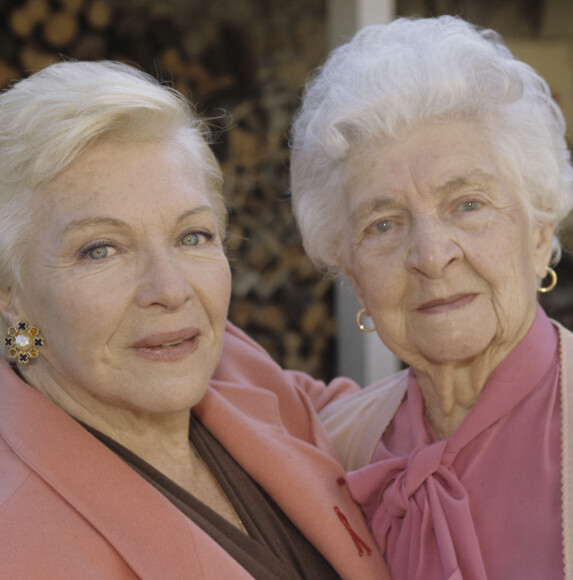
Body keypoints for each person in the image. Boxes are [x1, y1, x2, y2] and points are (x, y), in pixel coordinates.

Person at [0, 60, 392, 579]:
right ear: (12, 297)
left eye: (192, 236)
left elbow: (385, 424)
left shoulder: (233, 364)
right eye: (101, 250)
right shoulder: (21, 543)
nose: (170, 290)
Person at [289, 15, 573, 580]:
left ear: (540, 233)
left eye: (467, 204)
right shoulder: (336, 448)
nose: (430, 254)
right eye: (383, 225)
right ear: (351, 273)